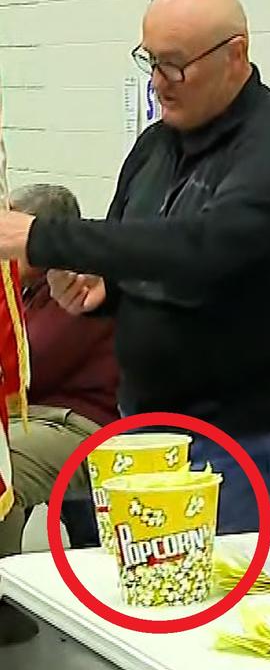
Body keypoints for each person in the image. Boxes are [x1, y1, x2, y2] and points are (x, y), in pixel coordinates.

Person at [0, 0, 270, 534]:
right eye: (150, 62)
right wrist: (103, 289)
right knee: (145, 598)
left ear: (236, 55)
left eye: (174, 66)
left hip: (241, 440)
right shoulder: (155, 147)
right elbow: (131, 246)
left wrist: (45, 238)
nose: (158, 83)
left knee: (232, 602)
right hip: (143, 424)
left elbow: (200, 249)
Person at [0, 184, 119, 646]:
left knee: (4, 462)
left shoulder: (77, 290)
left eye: (15, 236)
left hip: (80, 425)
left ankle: (3, 600)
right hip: (37, 416)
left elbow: (29, 363)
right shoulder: (25, 289)